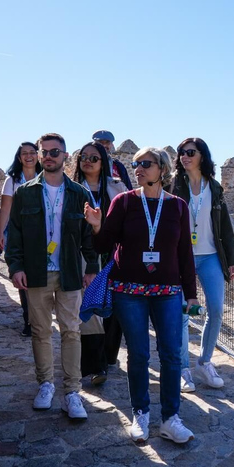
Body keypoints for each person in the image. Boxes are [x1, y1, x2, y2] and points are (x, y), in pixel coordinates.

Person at [84, 147, 198, 443]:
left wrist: (191, 294)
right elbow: (103, 246)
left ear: (162, 169)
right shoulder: (123, 202)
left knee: (172, 354)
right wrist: (97, 227)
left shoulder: (178, 207)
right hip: (128, 291)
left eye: (145, 164)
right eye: (135, 164)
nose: (138, 168)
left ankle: (171, 418)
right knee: (139, 354)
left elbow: (184, 252)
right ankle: (141, 414)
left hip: (168, 291)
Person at [5, 133, 99, 420]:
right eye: (44, 151)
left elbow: (88, 237)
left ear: (65, 156)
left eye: (54, 152)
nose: (48, 156)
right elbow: (15, 234)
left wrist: (92, 268)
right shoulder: (26, 193)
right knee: (40, 331)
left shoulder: (79, 194)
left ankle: (72, 392)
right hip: (36, 273)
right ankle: (45, 384)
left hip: (70, 272)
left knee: (71, 331)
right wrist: (15, 267)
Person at [170, 137, 234, 392]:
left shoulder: (214, 187)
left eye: (190, 152)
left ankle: (204, 362)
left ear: (202, 156)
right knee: (182, 314)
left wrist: (231, 260)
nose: (184, 156)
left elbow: (225, 227)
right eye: (181, 153)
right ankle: (183, 369)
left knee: (217, 310)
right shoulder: (175, 185)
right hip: (181, 256)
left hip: (210, 255)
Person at [73, 141, 127, 386]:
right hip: (84, 256)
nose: (88, 161)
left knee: (114, 308)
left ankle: (109, 356)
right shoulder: (72, 189)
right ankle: (96, 365)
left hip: (113, 255)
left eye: (94, 158)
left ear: (103, 162)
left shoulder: (117, 188)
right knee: (90, 309)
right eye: (84, 156)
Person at [0, 142, 42, 337]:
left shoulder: (46, 177)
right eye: (25, 153)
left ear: (38, 156)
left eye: (32, 152)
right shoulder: (12, 180)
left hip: (42, 235)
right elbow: (5, 208)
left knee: (40, 275)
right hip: (18, 234)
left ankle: (40, 316)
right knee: (22, 276)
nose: (29, 156)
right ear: (19, 157)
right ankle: (29, 319)